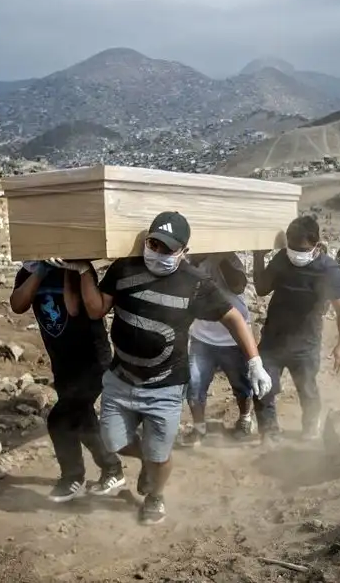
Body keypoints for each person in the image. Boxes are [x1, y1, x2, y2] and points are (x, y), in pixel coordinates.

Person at [51, 211, 272, 526]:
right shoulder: (124, 269)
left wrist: (255, 362)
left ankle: (155, 495)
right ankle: (148, 461)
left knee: (161, 455)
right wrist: (84, 270)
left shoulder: (195, 284)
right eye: (153, 243)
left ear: (183, 251)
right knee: (113, 441)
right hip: (121, 378)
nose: (158, 252)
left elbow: (233, 317)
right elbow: (96, 308)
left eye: (167, 248)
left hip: (165, 385)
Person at [10, 261, 125, 503]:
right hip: (63, 363)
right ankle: (112, 468)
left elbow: (73, 308)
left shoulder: (79, 269)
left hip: (92, 360)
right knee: (81, 418)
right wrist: (39, 271)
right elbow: (18, 305)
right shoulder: (27, 273)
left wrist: (67, 268)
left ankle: (73, 477)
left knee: (60, 419)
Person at [252, 215, 340, 446]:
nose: (296, 252)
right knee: (262, 387)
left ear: (316, 245)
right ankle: (269, 433)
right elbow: (261, 289)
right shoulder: (281, 259)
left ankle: (310, 428)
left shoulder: (328, 269)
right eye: (292, 246)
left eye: (302, 248)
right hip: (273, 340)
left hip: (306, 342)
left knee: (307, 389)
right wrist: (258, 256)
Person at [183, 252, 254, 446]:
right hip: (202, 336)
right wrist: (195, 261)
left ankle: (245, 419)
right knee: (195, 386)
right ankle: (199, 429)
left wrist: (220, 256)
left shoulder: (229, 259)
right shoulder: (188, 262)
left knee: (241, 385)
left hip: (232, 337)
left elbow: (238, 286)